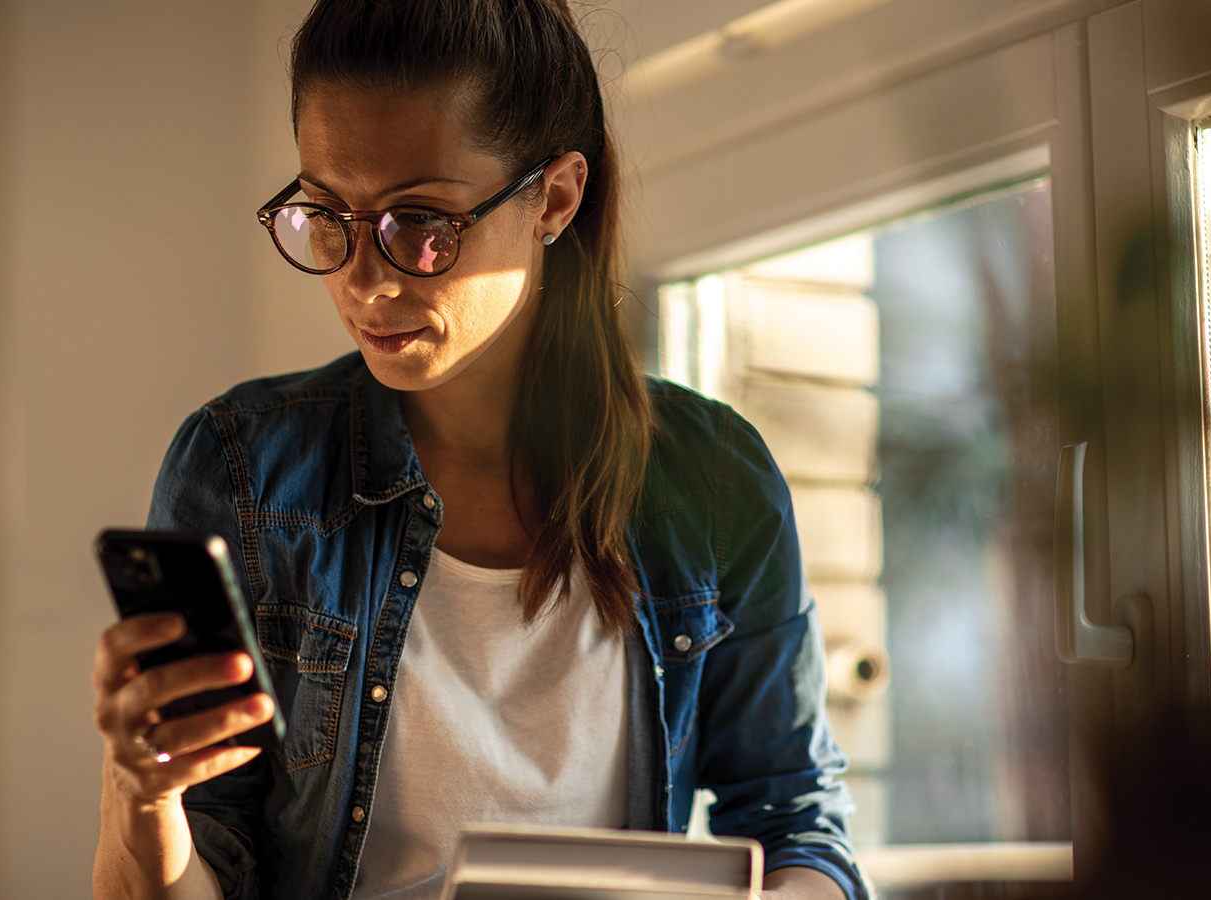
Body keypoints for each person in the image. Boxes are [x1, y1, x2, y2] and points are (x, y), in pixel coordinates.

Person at [89, 2, 869, 899]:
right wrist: (136, 798)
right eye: (326, 214)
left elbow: (795, 821)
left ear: (556, 198)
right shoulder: (245, 468)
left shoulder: (711, 479)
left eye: (421, 223)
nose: (362, 279)